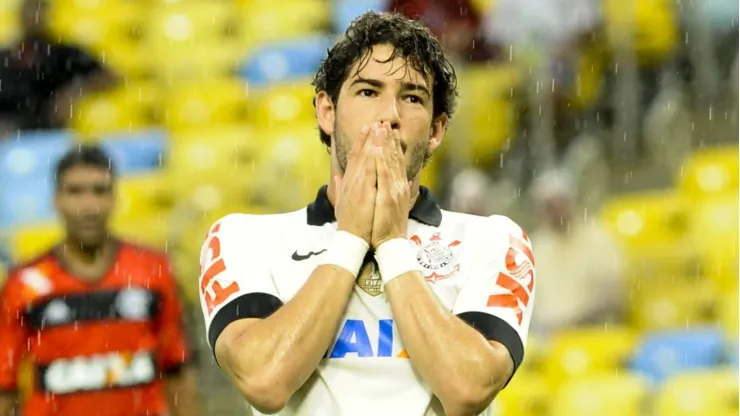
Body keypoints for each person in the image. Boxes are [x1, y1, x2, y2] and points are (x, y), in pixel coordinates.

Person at [198, 11, 535, 416]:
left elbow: (467, 387)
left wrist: (393, 244)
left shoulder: (494, 240)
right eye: (368, 91)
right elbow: (264, 380)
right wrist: (351, 239)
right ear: (327, 111)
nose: (389, 115)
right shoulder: (243, 239)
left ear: (436, 130)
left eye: (412, 98)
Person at [0, 145, 199, 416]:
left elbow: (178, 370)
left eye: (99, 191)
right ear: (55, 199)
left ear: (115, 197)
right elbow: (5, 387)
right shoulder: (24, 284)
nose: (89, 206)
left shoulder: (153, 271)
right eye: (75, 192)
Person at [0, 0, 118, 136]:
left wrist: (76, 91)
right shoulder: (5, 56)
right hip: (6, 131)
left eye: (38, 10)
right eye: (29, 10)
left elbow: (110, 76)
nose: (33, 16)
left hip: (47, 131)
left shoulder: (63, 53)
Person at [527, 170, 623, 336]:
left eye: (559, 203)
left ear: (571, 202)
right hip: (548, 340)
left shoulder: (599, 237)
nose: (555, 211)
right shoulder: (535, 247)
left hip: (593, 332)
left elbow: (611, 294)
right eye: (549, 206)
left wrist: (574, 323)